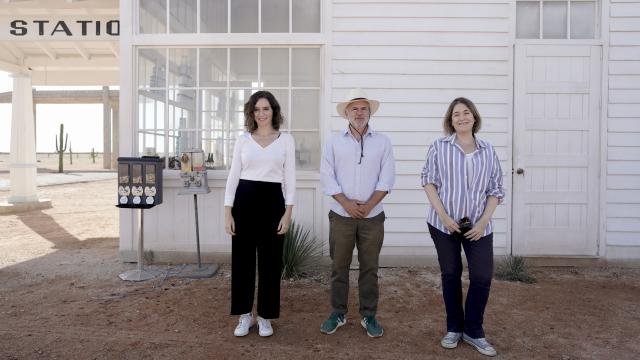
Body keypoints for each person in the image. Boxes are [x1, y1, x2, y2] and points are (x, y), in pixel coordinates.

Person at [421, 97, 504, 356]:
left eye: (466, 113)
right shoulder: (439, 147)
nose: (462, 117)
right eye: (456, 114)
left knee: (481, 276)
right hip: (443, 225)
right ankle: (454, 328)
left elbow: (496, 190)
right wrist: (444, 217)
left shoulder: (488, 150)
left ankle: (474, 330)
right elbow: (428, 181)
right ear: (450, 120)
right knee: (451, 275)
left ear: (474, 117)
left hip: (478, 226)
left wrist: (483, 222)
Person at [319, 88, 395, 338]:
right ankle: (338, 313)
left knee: (369, 268)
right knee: (339, 267)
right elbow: (327, 176)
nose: (359, 113)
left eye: (364, 108)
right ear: (347, 114)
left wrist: (369, 205)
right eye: (355, 108)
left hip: (373, 217)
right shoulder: (333, 141)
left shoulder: (383, 142)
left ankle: (369, 315)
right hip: (341, 215)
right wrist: (347, 204)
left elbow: (387, 178)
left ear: (370, 113)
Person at [224, 91, 295, 337]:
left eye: (266, 109)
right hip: (244, 202)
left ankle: (265, 316)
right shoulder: (243, 140)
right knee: (242, 262)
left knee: (270, 263)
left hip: (273, 204)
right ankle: (245, 315)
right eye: (257, 110)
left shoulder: (286, 140)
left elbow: (290, 179)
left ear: (273, 111)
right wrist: (228, 212)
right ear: (251, 113)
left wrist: (288, 213)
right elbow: (233, 176)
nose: (261, 114)